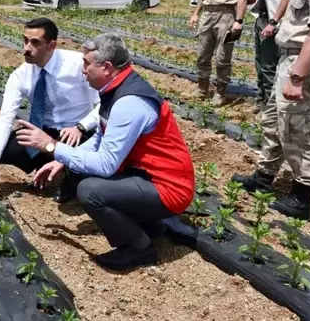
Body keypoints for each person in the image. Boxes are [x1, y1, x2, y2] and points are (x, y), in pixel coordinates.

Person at [17, 33, 195, 271]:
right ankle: (150, 225)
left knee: (90, 190)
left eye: (87, 64)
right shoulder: (116, 89)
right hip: (144, 176)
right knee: (78, 170)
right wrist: (61, 160)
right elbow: (100, 138)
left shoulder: (129, 102)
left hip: (168, 187)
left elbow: (106, 165)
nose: (82, 70)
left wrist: (51, 146)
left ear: (107, 67)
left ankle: (140, 249)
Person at [233, 0, 310, 221]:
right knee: (275, 119)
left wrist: (297, 76)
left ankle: (301, 195)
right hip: (290, 58)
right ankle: (264, 175)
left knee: (302, 127)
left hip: (303, 63)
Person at [0, 18, 100, 203]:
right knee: (6, 150)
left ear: (51, 45)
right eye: (25, 40)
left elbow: (104, 104)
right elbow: (5, 118)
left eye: (35, 42)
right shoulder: (21, 75)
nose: (27, 47)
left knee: (83, 156)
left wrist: (81, 127)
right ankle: (45, 162)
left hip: (77, 131)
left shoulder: (76, 65)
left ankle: (72, 180)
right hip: (46, 130)